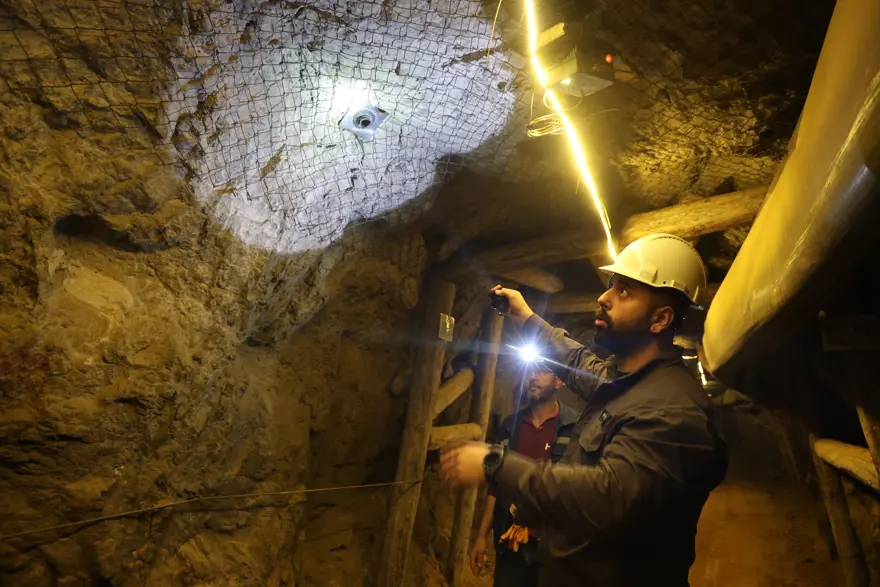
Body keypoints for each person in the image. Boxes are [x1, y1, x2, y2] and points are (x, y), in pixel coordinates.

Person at [441, 233, 728, 587]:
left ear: (660, 319)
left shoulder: (673, 411)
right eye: (611, 286)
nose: (603, 298)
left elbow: (605, 496)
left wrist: (496, 465)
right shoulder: (626, 380)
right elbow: (578, 361)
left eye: (624, 291)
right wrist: (528, 318)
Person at [469, 362, 580, 587]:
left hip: (551, 551)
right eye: (530, 370)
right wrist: (481, 537)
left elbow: (576, 489)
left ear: (559, 381)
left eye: (542, 371)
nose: (533, 377)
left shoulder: (574, 428)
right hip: (510, 542)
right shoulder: (511, 426)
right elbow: (495, 485)